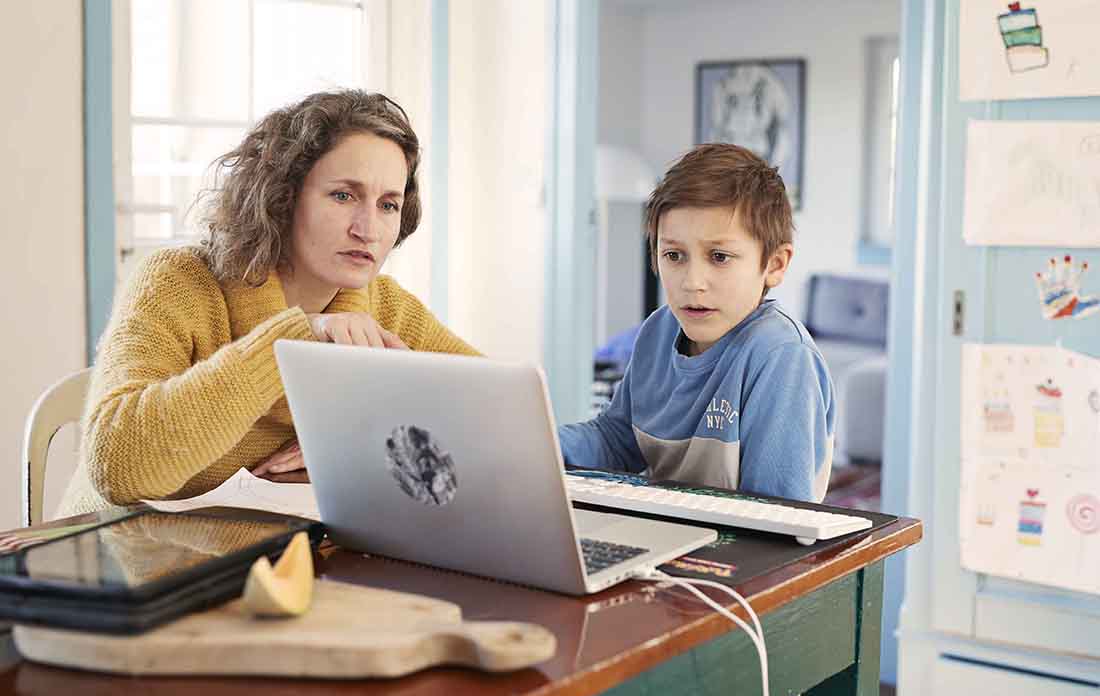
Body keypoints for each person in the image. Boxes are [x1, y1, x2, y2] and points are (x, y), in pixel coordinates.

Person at [58, 90, 478, 518]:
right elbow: (117, 465)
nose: (369, 229)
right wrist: (295, 337)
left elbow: (500, 424)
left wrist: (362, 450)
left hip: (271, 558)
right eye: (343, 196)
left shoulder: (386, 307)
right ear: (282, 196)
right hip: (125, 560)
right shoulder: (175, 282)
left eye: (388, 204)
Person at [559, 143, 835, 502]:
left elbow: (776, 516)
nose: (692, 282)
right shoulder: (657, 333)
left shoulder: (782, 357)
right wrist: (541, 445)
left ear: (775, 264)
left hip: (743, 552)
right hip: (667, 533)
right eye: (674, 255)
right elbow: (616, 442)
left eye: (719, 257)